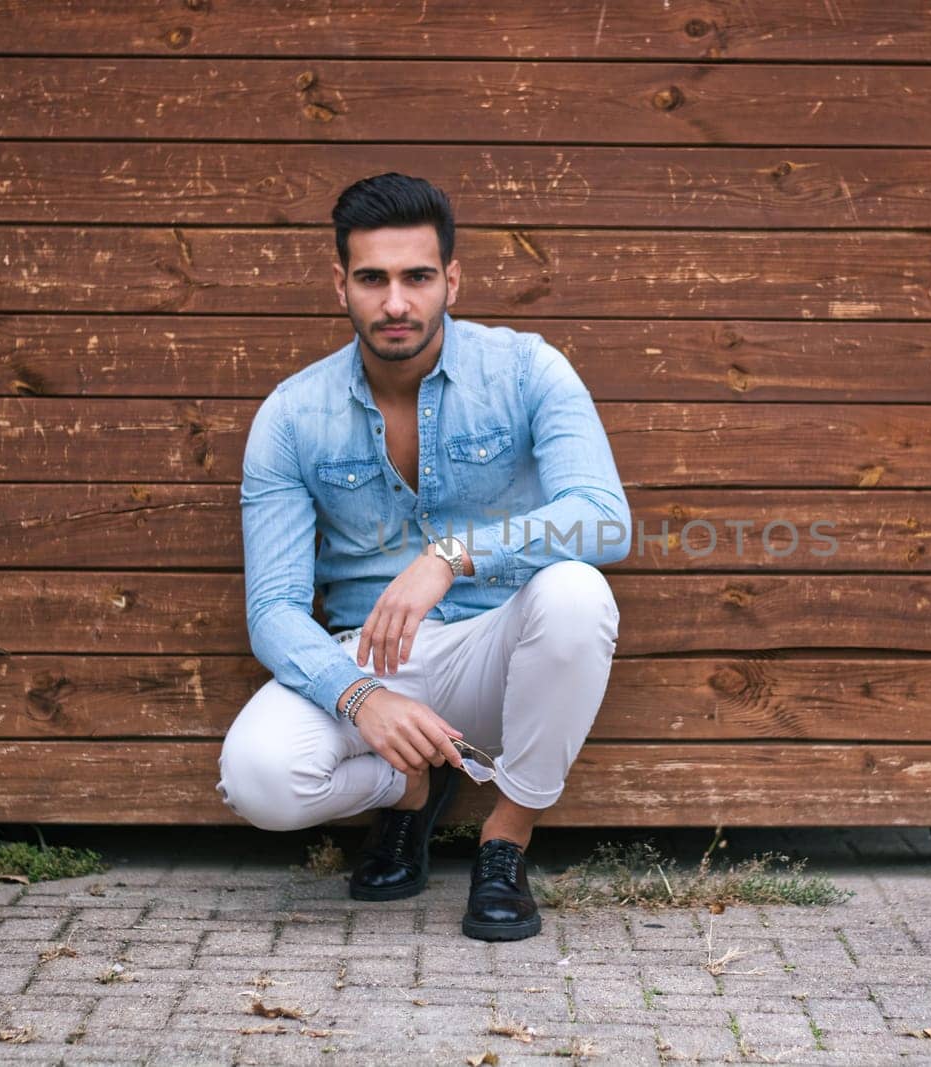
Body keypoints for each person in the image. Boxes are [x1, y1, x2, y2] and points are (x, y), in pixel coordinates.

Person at [216, 172, 630, 942]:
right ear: (341, 284)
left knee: (576, 592)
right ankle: (407, 785)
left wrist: (452, 555)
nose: (396, 303)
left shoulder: (527, 370)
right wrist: (358, 696)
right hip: (368, 658)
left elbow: (604, 521)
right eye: (373, 278)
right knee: (258, 780)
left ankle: (505, 838)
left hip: (498, 653)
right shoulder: (292, 415)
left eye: (417, 277)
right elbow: (273, 608)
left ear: (452, 278)